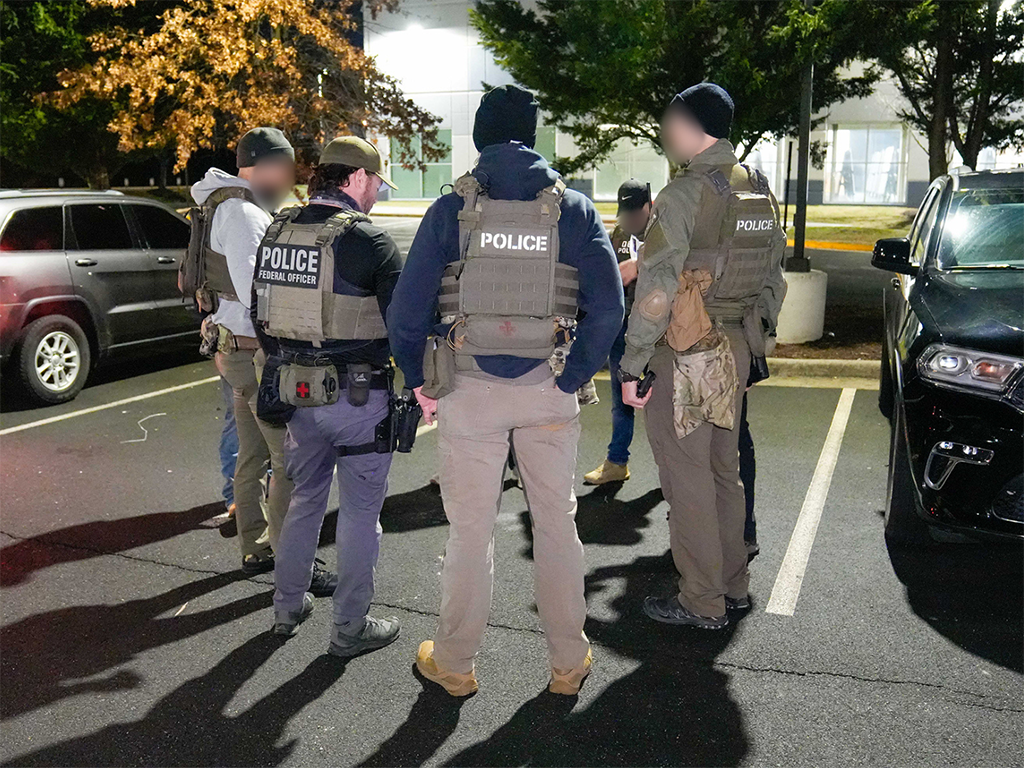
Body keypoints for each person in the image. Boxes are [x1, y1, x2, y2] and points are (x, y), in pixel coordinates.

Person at [388, 84, 623, 696]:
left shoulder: (450, 211)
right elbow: (607, 307)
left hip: (468, 387)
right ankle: (568, 665)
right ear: (534, 133)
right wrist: (572, 377)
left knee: (470, 531)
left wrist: (421, 383)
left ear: (479, 138)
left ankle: (456, 664)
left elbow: (406, 313)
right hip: (548, 385)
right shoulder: (571, 208)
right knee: (556, 524)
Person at [619, 83, 786, 629]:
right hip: (736, 342)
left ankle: (701, 601)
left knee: (686, 475)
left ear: (690, 127)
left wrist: (633, 359)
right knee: (724, 470)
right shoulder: (757, 187)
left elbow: (658, 290)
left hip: (688, 347)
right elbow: (774, 280)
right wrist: (754, 338)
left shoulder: (685, 193)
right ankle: (732, 587)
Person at [254, 136, 404, 658]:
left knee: (304, 501)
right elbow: (404, 327)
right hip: (359, 398)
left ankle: (286, 607)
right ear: (358, 178)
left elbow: (262, 316)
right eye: (378, 185)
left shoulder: (277, 230)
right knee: (362, 513)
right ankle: (350, 628)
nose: (378, 197)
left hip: (295, 392)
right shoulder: (370, 241)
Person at [191, 128, 338, 592]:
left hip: (230, 344)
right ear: (269, 165)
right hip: (253, 350)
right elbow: (261, 293)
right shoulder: (244, 213)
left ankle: (255, 547)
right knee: (287, 458)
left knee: (251, 453)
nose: (289, 178)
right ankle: (293, 563)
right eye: (286, 167)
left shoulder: (220, 203)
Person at [584, 179, 652, 485]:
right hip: (624, 324)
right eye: (625, 212)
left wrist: (640, 264)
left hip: (658, 328)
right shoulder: (620, 231)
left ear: (649, 206)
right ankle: (617, 462)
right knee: (622, 398)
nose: (629, 219)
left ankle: (677, 468)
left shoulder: (668, 228)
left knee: (666, 401)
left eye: (635, 212)